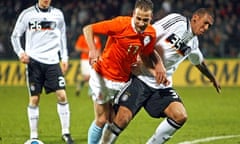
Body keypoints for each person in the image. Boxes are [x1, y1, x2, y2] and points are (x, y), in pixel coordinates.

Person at [99, 8, 221, 144]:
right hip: (140, 77)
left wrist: (212, 78)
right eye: (205, 23)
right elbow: (148, 35)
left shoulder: (193, 44)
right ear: (195, 18)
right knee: (122, 119)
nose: (206, 28)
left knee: (180, 116)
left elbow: (200, 63)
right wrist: (146, 59)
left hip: (161, 86)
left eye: (209, 26)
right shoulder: (177, 21)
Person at [82, 0, 168, 143]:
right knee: (102, 119)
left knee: (111, 120)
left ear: (151, 17)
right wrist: (93, 50)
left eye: (145, 20)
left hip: (123, 81)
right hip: (103, 77)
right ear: (133, 14)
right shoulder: (120, 24)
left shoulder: (150, 33)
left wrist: (155, 71)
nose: (141, 23)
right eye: (138, 18)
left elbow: (146, 55)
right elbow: (88, 29)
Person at [10, 0, 74, 143]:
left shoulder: (58, 14)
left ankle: (66, 133)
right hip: (34, 62)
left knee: (62, 95)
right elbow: (15, 36)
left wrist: (64, 57)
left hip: (52, 62)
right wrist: (20, 53)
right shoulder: (27, 15)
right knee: (34, 99)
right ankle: (34, 136)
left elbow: (63, 36)